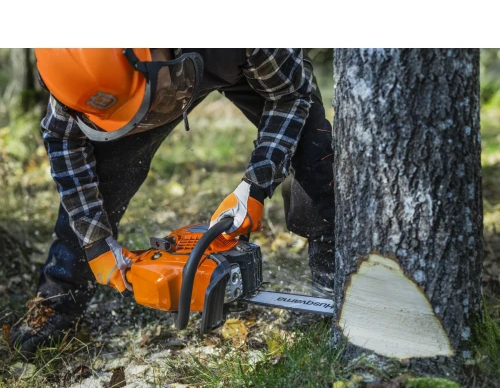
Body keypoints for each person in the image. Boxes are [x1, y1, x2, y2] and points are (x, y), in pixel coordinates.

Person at [10, 48, 334, 356]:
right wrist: (95, 243)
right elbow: (63, 139)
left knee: (314, 152)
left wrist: (257, 183)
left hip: (231, 62)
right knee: (98, 187)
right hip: (136, 88)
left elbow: (291, 96)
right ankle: (57, 305)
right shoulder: (70, 67)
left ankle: (331, 279)